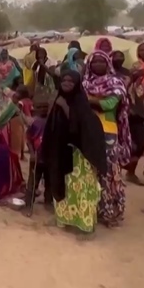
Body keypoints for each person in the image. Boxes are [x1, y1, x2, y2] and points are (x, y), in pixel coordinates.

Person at [43, 71, 107, 238]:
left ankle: (85, 226)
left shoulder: (81, 104)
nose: (66, 83)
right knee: (64, 187)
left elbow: (81, 127)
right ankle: (64, 219)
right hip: (61, 153)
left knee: (80, 190)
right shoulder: (58, 100)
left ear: (77, 84)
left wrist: (65, 107)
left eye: (71, 81)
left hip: (80, 156)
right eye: (64, 80)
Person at [82, 51, 133, 227]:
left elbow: (109, 105)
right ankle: (92, 210)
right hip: (88, 130)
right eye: (94, 62)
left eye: (101, 62)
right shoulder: (84, 83)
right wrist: (95, 101)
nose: (98, 65)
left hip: (108, 130)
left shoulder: (115, 83)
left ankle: (110, 211)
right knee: (90, 170)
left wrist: (88, 100)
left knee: (109, 172)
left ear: (108, 64)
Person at [26, 101, 51, 206]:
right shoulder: (34, 123)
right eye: (41, 107)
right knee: (33, 180)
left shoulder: (52, 122)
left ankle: (48, 202)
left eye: (45, 107)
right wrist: (32, 153)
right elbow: (28, 139)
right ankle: (29, 203)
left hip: (48, 157)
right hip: (37, 156)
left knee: (49, 181)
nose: (43, 109)